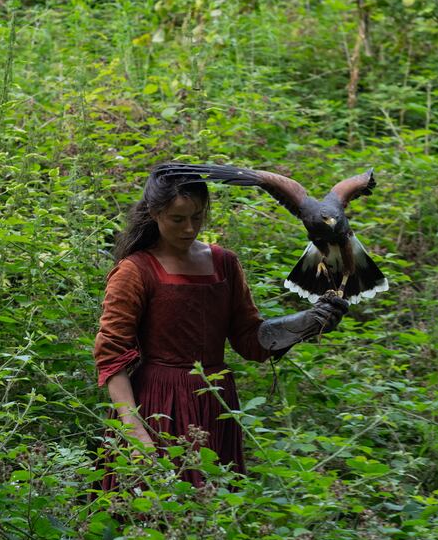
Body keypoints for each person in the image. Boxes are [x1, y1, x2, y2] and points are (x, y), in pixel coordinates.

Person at [94, 166, 348, 482]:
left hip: (215, 403)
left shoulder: (223, 262)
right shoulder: (135, 270)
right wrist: (135, 434)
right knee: (152, 516)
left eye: (198, 217)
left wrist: (307, 322)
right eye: (178, 219)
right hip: (156, 405)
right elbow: (111, 355)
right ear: (155, 213)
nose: (189, 228)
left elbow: (250, 340)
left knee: (212, 511)